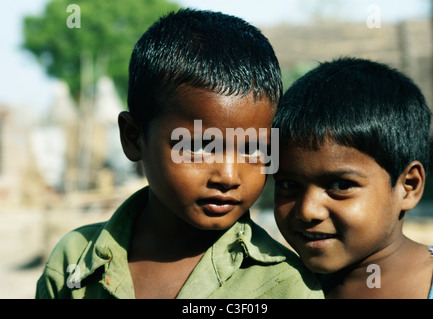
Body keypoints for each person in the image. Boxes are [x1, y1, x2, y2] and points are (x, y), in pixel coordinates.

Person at [35, 8, 323, 299]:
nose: (228, 176)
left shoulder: (285, 286)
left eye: (253, 149)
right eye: (198, 147)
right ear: (134, 138)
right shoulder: (72, 263)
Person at [272, 57, 433, 299]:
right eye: (288, 184)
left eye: (341, 185)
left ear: (408, 187)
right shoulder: (269, 288)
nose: (308, 211)